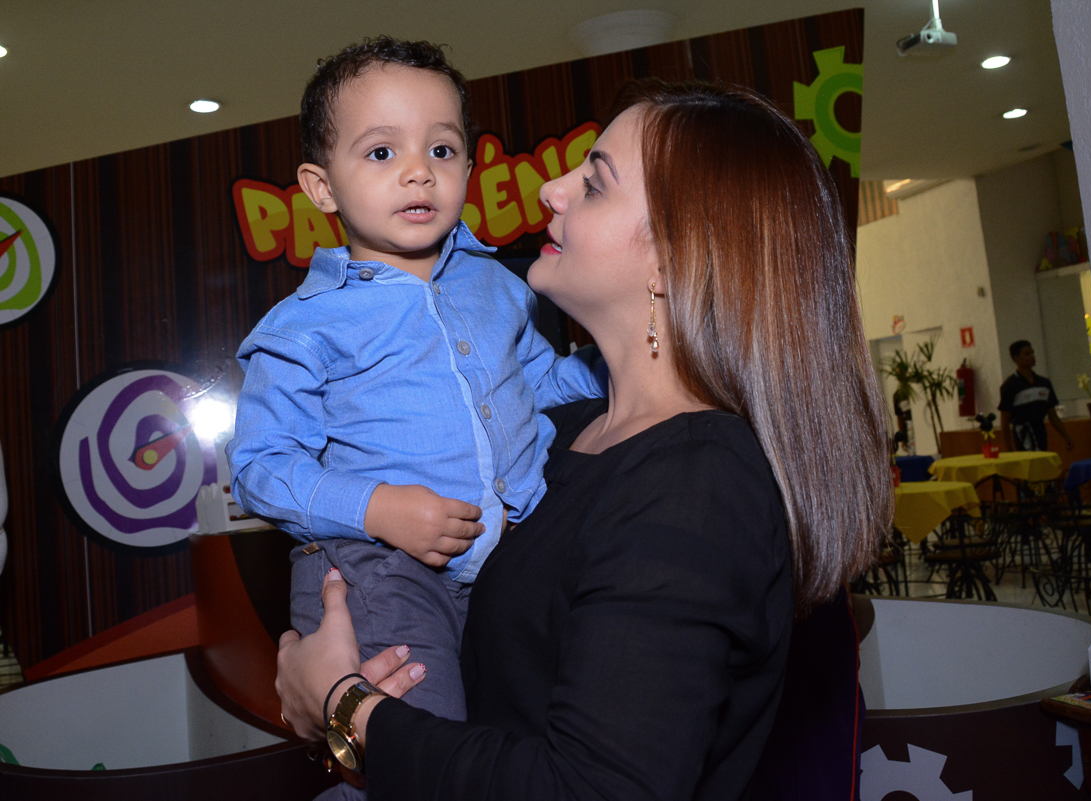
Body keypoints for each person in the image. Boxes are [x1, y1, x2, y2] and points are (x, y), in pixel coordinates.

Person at [277, 80, 891, 800]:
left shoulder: (701, 483)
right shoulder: (554, 435)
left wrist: (347, 707)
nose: (552, 192)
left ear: (670, 260)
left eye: (595, 185)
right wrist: (352, 717)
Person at [226, 36, 605, 737]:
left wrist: (628, 354)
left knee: (514, 743)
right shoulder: (304, 324)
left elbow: (544, 383)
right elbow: (258, 468)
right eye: (380, 152)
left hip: (505, 567)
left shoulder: (500, 287)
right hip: (375, 568)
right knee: (417, 745)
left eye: (441, 150)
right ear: (321, 185)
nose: (418, 174)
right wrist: (377, 508)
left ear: (468, 162)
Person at [998, 340, 1074, 452]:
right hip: (1022, 432)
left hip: (1040, 430)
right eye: (1027, 354)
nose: (1032, 356)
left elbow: (1052, 415)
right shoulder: (1010, 385)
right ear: (1016, 359)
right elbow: (1005, 420)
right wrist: (1009, 448)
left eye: (1032, 353)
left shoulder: (1044, 383)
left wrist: (1066, 436)